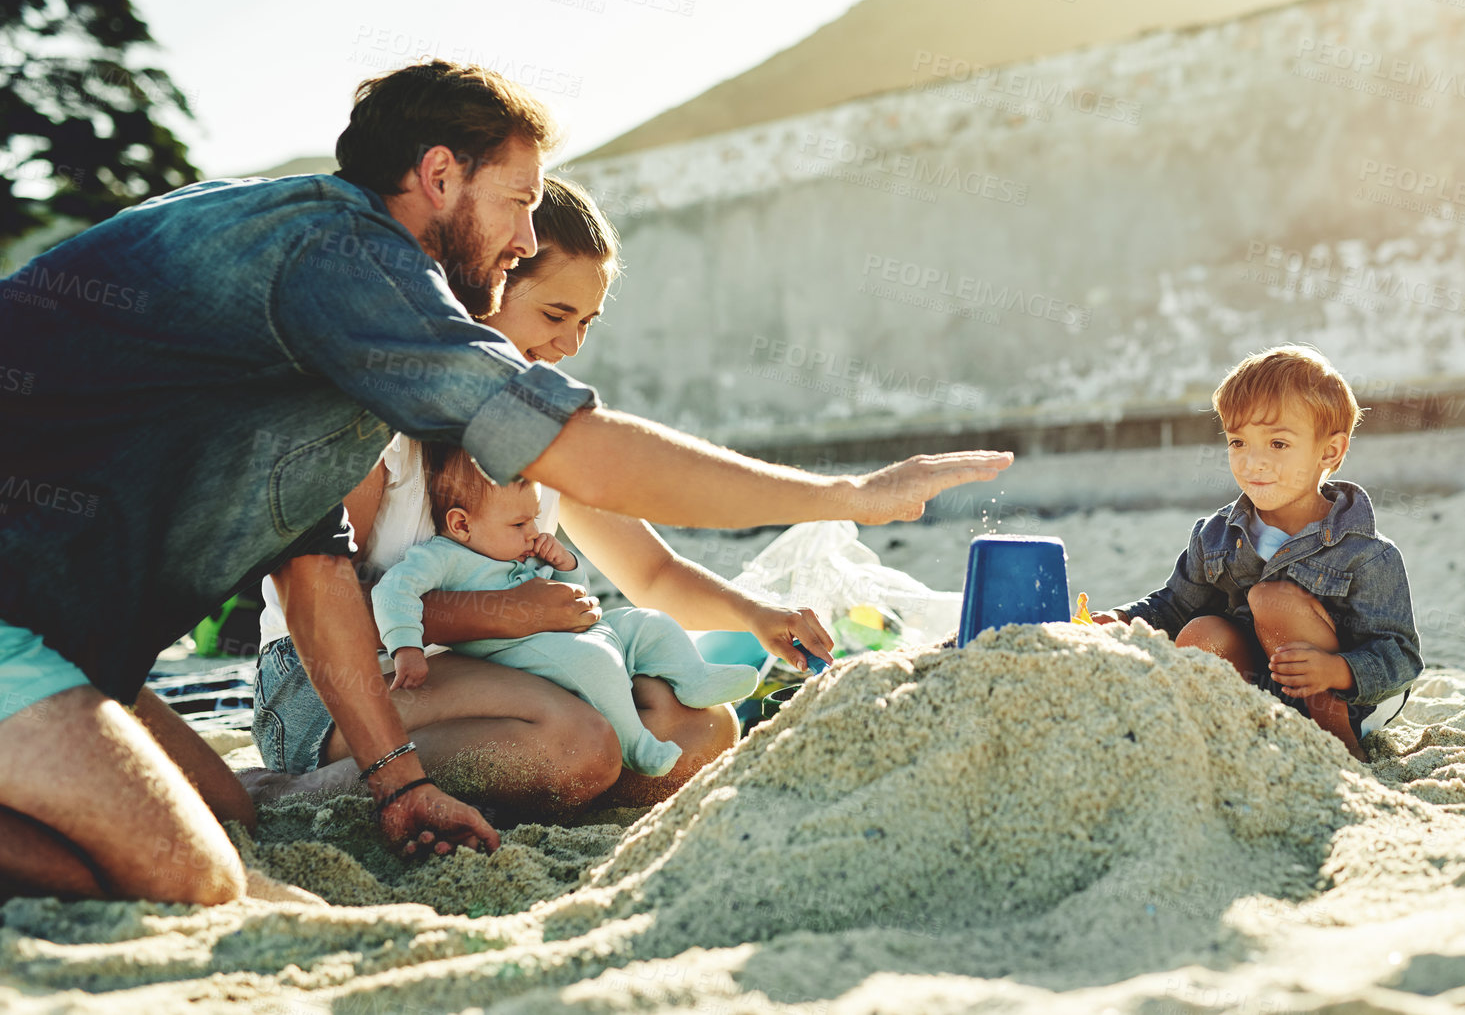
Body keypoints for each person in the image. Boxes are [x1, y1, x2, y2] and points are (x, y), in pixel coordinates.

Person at [0, 59, 1011, 904]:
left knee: (222, 819)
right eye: (520, 202)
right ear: (439, 175)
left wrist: (398, 787)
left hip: (66, 641)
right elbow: (576, 448)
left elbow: (315, 568)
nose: (528, 237)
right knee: (191, 878)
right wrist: (848, 497)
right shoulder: (342, 251)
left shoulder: (333, 328)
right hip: (20, 618)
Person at [246, 177, 833, 817]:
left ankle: (541, 773)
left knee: (700, 729)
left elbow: (654, 572)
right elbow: (331, 602)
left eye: (586, 321)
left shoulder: (540, 424)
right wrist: (506, 614)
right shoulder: (381, 418)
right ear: (482, 282)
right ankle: (288, 795)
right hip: (333, 681)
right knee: (572, 745)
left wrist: (757, 615)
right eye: (555, 315)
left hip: (495, 668)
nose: (571, 344)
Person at [1096, 345, 1419, 759]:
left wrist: (1337, 670)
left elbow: (1401, 656)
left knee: (1272, 600)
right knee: (1200, 633)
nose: (1253, 462)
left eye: (1278, 444)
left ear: (1329, 452)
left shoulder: (1366, 553)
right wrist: (1121, 619)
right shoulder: (1216, 536)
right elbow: (1174, 606)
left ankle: (1340, 749)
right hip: (1264, 689)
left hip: (1346, 698)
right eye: (1238, 442)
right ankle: (1226, 738)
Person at [375, 444, 759, 777]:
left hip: (574, 635)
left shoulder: (520, 550)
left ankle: (694, 676)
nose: (533, 532)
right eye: (519, 523)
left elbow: (577, 602)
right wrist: (406, 646)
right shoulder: (443, 558)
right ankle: (636, 743)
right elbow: (393, 590)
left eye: (535, 519)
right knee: (594, 662)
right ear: (461, 524)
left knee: (648, 623)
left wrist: (566, 565)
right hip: (521, 653)